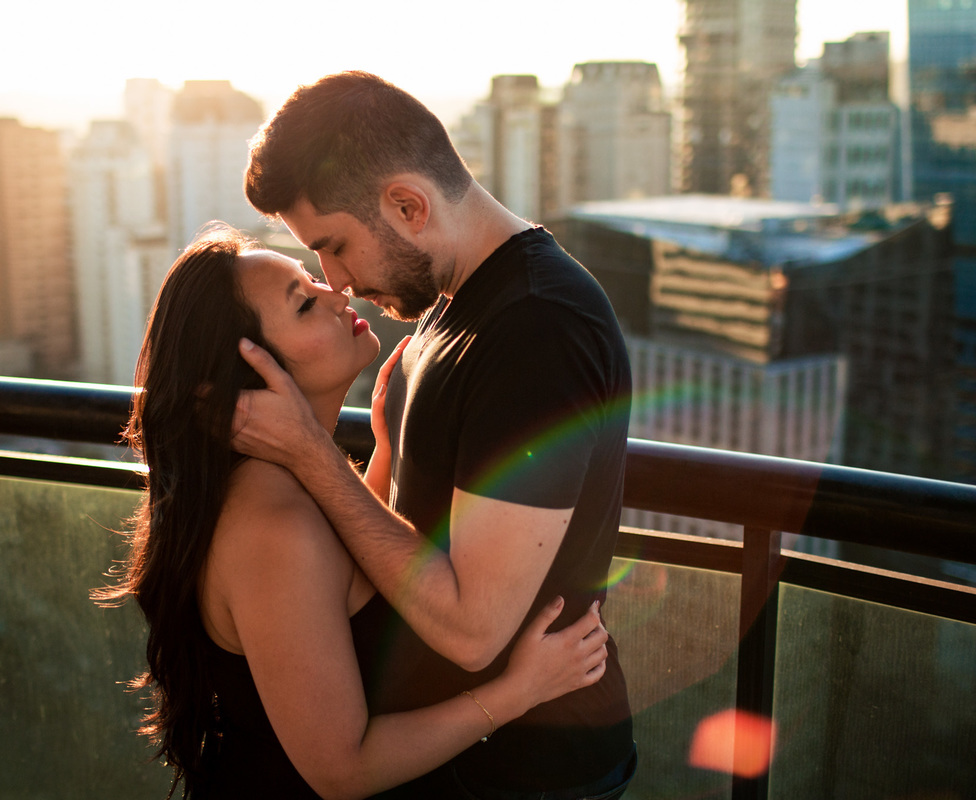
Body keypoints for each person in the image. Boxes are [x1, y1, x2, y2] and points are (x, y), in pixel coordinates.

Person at [94, 225, 612, 800]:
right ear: (249, 374)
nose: (337, 292)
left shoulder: (288, 484)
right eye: (306, 303)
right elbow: (342, 769)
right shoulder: (274, 529)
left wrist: (385, 455)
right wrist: (519, 691)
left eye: (313, 278)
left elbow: (337, 582)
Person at [233, 71, 637, 799]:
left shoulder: (538, 325)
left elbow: (474, 629)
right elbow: (404, 537)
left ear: (408, 205)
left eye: (335, 246)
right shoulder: (446, 312)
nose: (337, 281)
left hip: (530, 773)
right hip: (455, 757)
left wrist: (311, 454)